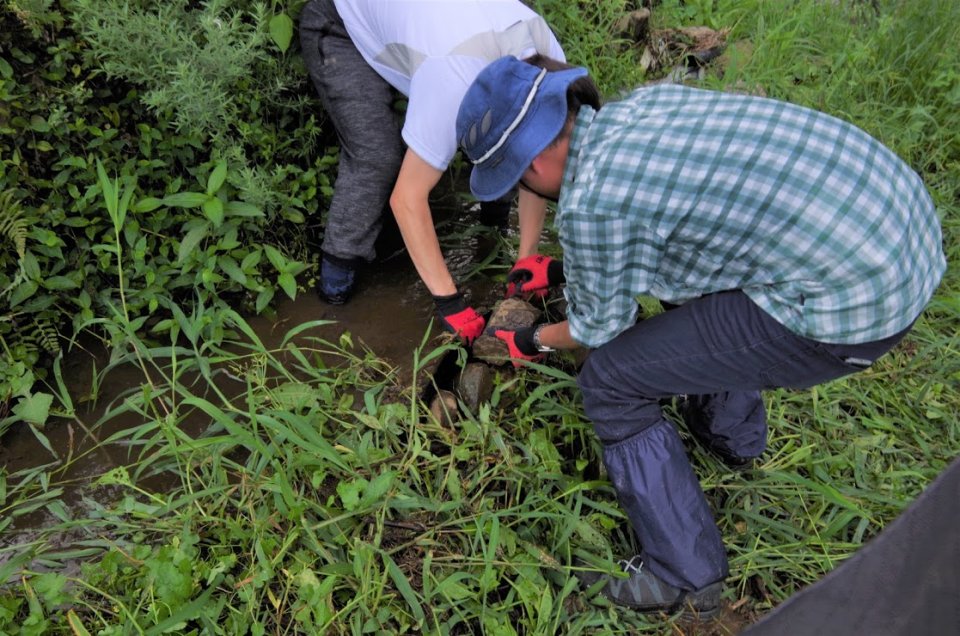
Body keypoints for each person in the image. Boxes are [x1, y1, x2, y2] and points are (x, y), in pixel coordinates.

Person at [455, 56, 946, 617]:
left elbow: (599, 326)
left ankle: (684, 577)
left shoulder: (592, 202)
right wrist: (563, 270)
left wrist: (532, 340)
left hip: (854, 310)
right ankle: (732, 437)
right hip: (901, 232)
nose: (527, 192)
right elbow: (680, 241)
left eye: (519, 180)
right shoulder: (641, 108)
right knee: (691, 280)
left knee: (610, 380)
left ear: (537, 158)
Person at [299, 0, 571, 343]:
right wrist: (449, 301)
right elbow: (407, 198)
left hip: (429, 30)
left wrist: (527, 257)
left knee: (507, 138)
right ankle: (335, 285)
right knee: (376, 157)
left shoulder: (548, 58)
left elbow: (531, 149)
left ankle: (494, 223)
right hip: (342, 27)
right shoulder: (450, 79)